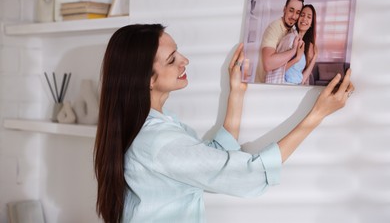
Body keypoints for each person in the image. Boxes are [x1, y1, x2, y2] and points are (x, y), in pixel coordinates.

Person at [94, 24, 354, 223]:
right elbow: (246, 173)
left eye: (178, 51)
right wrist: (317, 115)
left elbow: (210, 160)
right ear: (147, 79)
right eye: (172, 59)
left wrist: (236, 94)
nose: (185, 60)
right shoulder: (158, 141)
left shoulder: (155, 125)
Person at [255, 0, 304, 83]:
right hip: (263, 86)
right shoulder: (273, 28)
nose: (294, 16)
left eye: (297, 13)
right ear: (284, 9)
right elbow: (268, 64)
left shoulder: (293, 31)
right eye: (291, 10)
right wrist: (293, 51)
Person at [267, 4, 318, 85]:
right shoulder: (290, 39)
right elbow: (276, 71)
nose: (305, 19)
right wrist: (297, 58)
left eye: (309, 17)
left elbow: (301, 79)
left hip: (296, 89)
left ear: (311, 23)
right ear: (298, 18)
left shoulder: (303, 44)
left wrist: (314, 58)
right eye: (302, 15)